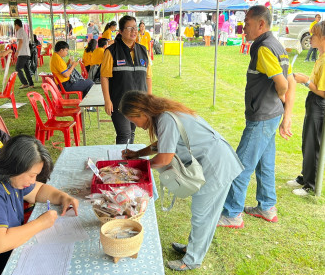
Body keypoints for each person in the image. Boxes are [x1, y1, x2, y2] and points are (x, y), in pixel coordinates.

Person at [119, 91, 243, 271]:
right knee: (200, 215)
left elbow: (163, 159)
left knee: (203, 216)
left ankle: (192, 259)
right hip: (211, 161)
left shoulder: (165, 119)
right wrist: (137, 154)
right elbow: (162, 144)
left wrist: (136, 167)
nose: (135, 125)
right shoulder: (163, 114)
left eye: (133, 120)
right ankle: (192, 249)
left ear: (142, 113)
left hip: (216, 165)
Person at [0, 135, 79, 275]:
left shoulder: (10, 178)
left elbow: (38, 190)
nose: (33, 180)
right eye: (31, 175)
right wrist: (41, 223)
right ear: (15, 166)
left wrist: (62, 197)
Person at [217, 6, 296, 228]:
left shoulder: (263, 48)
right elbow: (291, 79)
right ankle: (267, 206)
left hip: (262, 117)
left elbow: (283, 84)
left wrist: (279, 99)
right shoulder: (277, 44)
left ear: (261, 24)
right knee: (265, 164)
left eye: (247, 23)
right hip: (271, 116)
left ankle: (232, 213)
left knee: (240, 164)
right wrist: (284, 112)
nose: (243, 28)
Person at [100, 15, 152, 144]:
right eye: (129, 28)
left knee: (132, 133)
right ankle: (121, 163)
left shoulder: (143, 50)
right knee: (124, 134)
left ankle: (128, 162)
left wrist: (149, 99)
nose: (134, 31)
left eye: (135, 27)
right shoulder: (111, 51)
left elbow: (148, 76)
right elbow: (104, 77)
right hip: (119, 102)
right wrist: (107, 100)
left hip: (139, 101)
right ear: (121, 32)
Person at [288, 21, 325, 196]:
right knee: (307, 142)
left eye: (315, 35)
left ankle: (311, 184)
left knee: (314, 145)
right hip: (314, 103)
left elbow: (323, 92)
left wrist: (306, 81)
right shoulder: (321, 55)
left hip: (320, 104)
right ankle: (305, 176)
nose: (311, 38)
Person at [14, 19, 34, 89]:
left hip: (22, 53)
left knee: (17, 68)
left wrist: (17, 51)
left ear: (16, 25)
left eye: (15, 26)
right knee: (26, 69)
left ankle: (25, 83)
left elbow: (21, 42)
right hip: (26, 53)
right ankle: (31, 84)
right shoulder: (23, 31)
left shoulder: (19, 31)